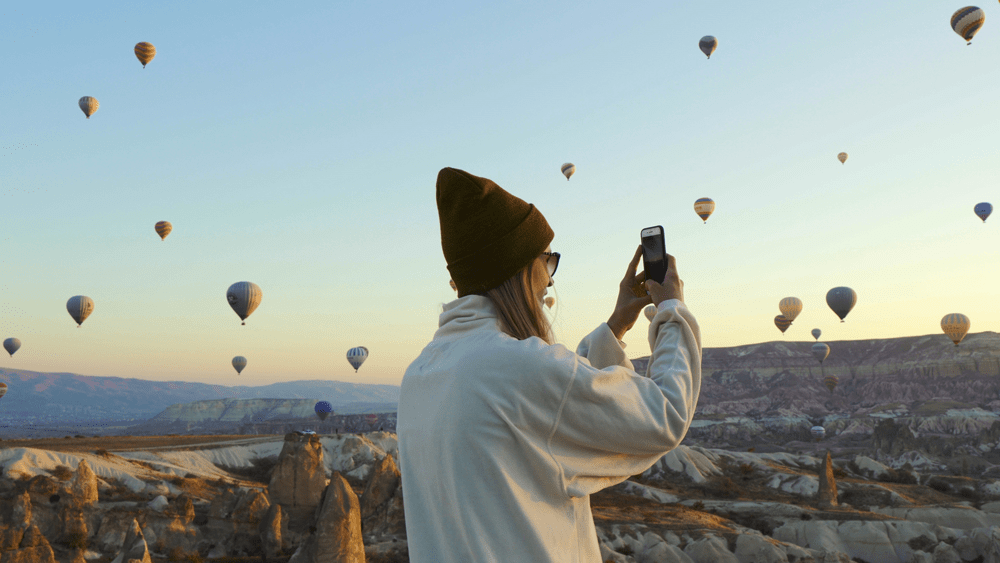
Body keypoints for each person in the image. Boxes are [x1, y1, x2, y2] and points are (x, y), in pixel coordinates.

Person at [397, 168, 701, 562]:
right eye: (548, 260)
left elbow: (547, 413)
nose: (550, 281)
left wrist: (615, 327)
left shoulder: (421, 375)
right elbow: (664, 414)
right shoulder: (514, 366)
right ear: (519, 268)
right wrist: (672, 309)